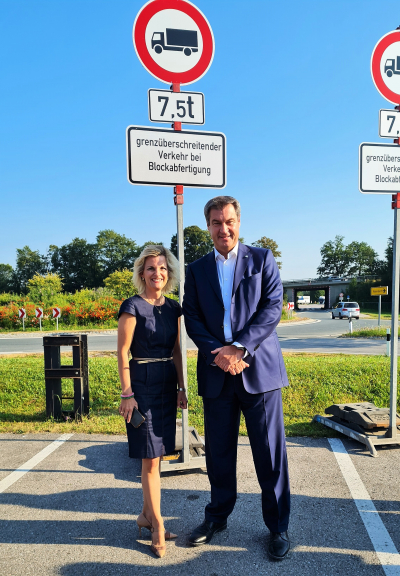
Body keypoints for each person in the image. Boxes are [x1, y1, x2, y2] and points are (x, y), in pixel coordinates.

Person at [182, 196, 291, 561]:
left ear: (239, 222)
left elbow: (272, 308)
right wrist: (220, 352)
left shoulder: (262, 259)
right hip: (217, 373)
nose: (223, 229)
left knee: (269, 454)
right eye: (215, 222)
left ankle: (277, 527)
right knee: (219, 452)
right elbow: (193, 318)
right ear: (207, 227)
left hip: (258, 371)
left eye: (229, 221)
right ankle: (217, 517)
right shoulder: (196, 270)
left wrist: (240, 347)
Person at [117, 245, 188, 559]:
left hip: (166, 383)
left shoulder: (174, 308)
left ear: (168, 272)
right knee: (148, 459)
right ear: (141, 273)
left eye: (162, 268)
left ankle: (146, 516)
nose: (157, 273)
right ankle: (158, 525)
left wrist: (182, 387)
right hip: (141, 387)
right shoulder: (132, 306)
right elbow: (121, 353)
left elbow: (176, 351)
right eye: (150, 268)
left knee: (158, 456)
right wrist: (127, 394)